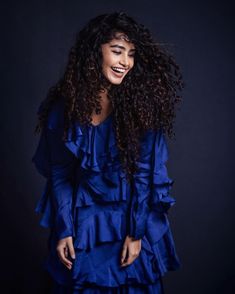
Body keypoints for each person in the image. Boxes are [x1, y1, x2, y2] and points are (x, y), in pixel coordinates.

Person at [32, 11, 184, 294]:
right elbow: (60, 173)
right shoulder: (64, 109)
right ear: (95, 52)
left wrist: (136, 233)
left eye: (131, 54)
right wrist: (64, 229)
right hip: (84, 223)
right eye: (117, 51)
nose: (125, 62)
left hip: (129, 219)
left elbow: (143, 175)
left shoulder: (141, 110)